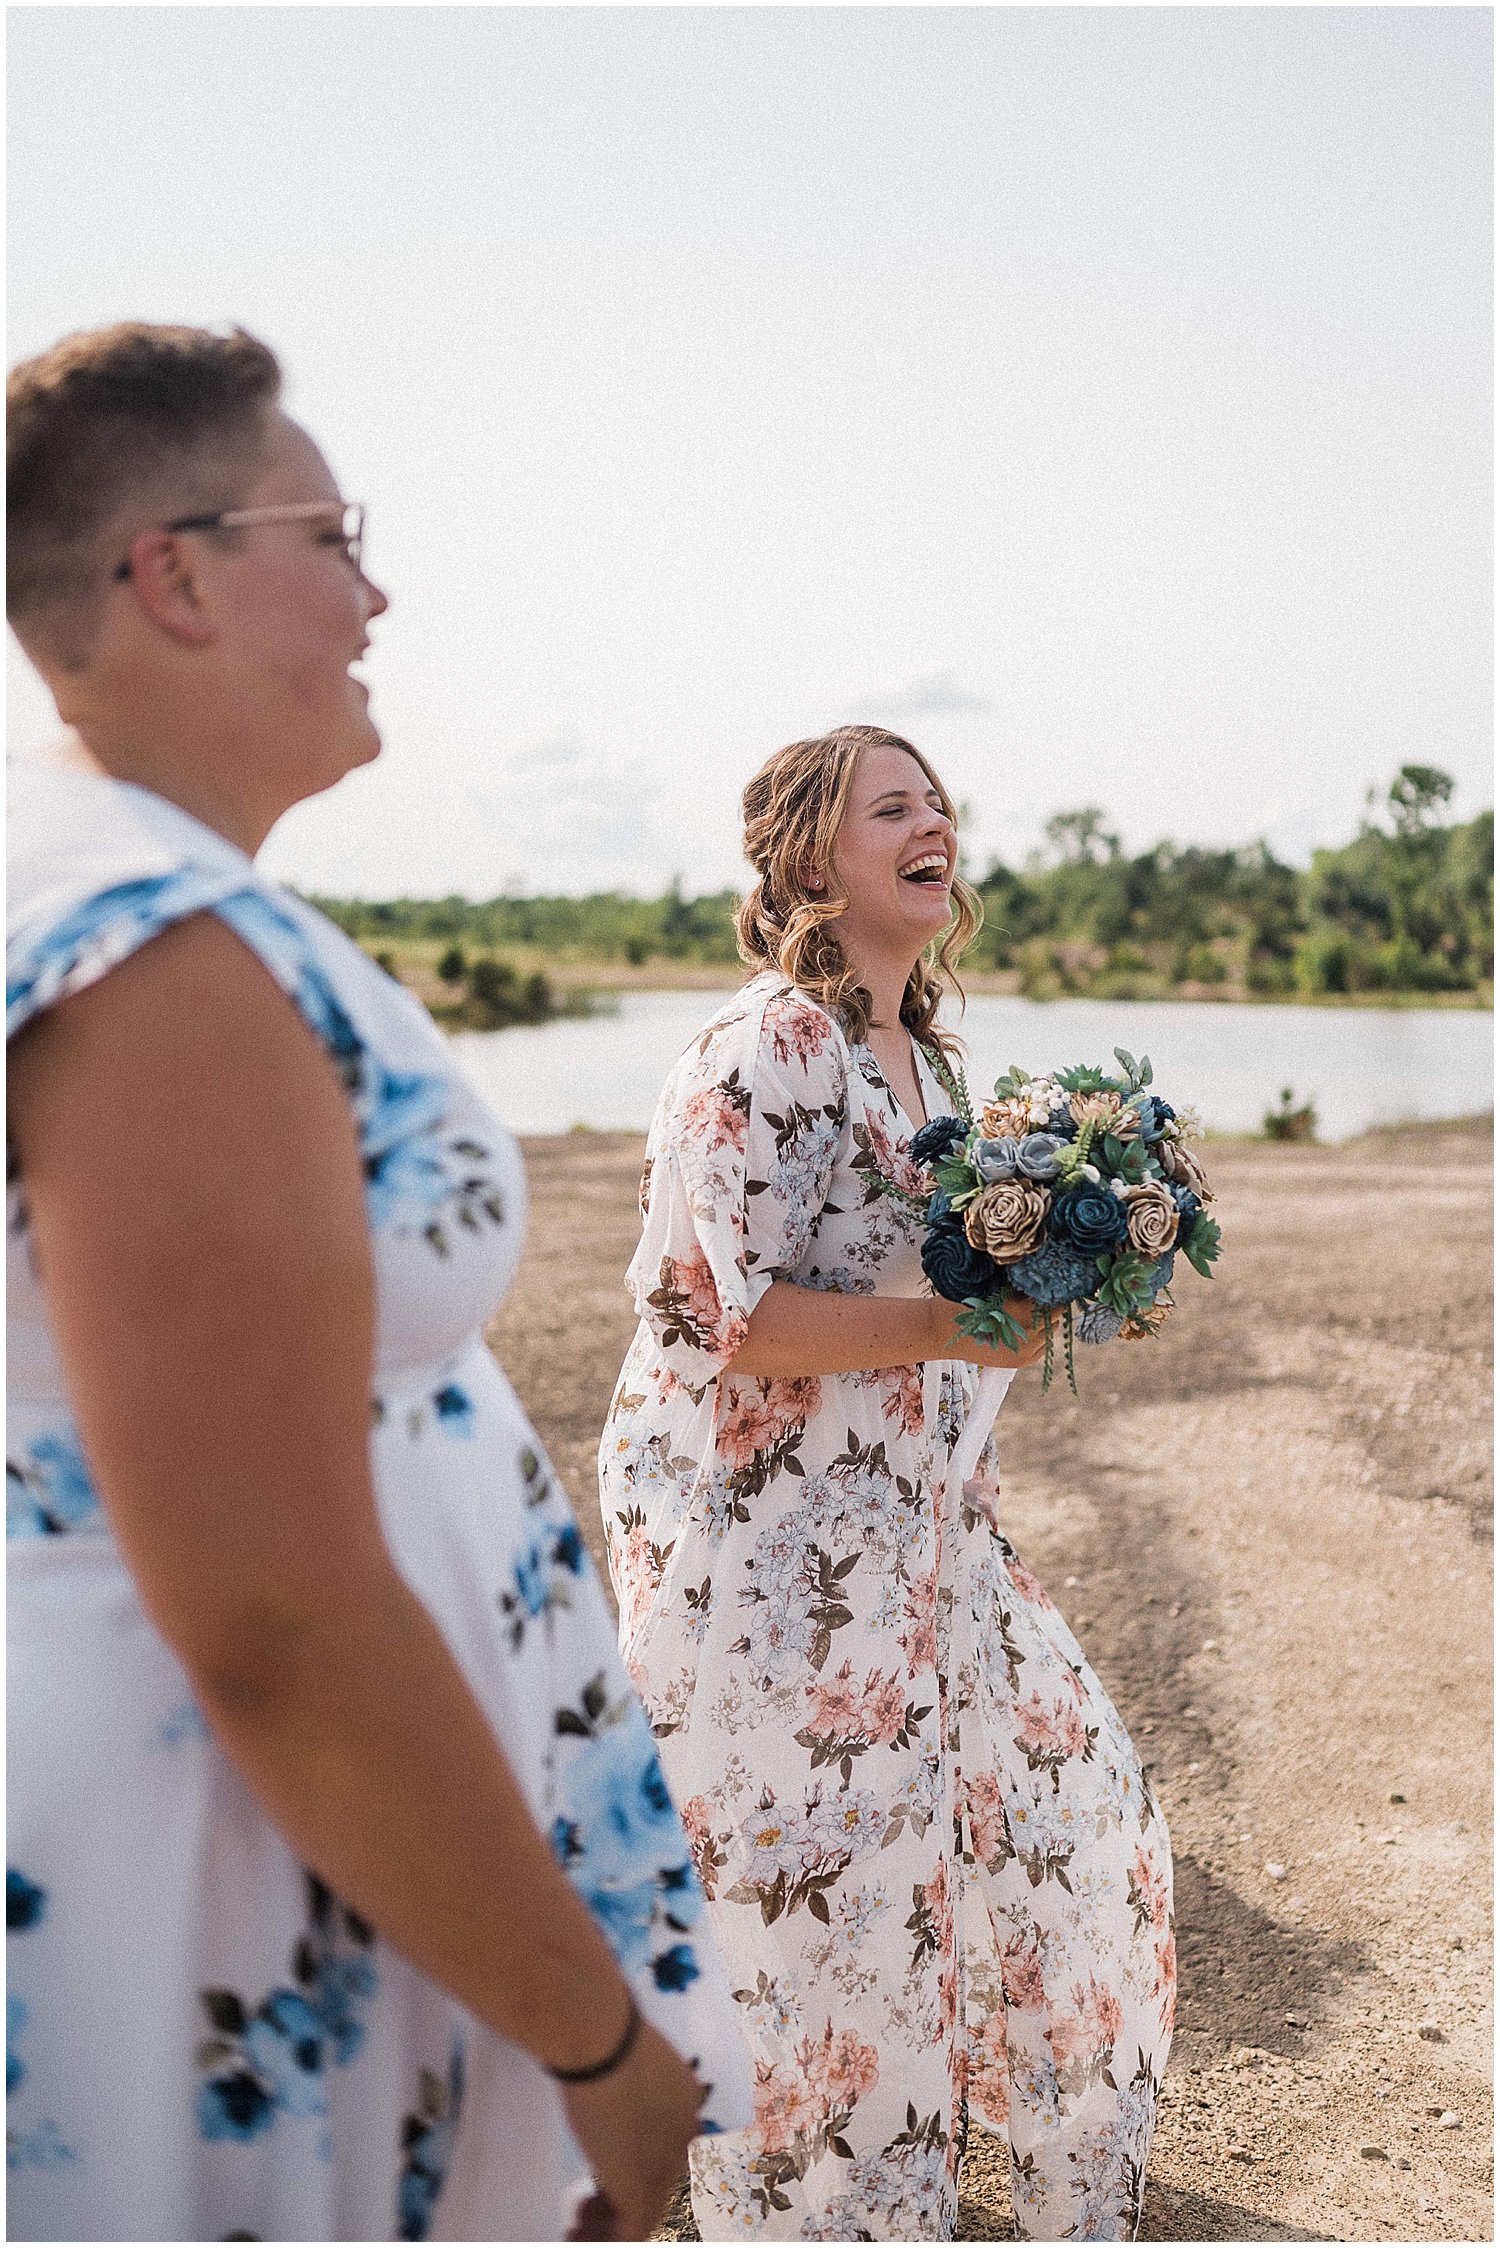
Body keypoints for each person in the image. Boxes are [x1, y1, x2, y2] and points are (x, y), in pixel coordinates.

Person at [5, 321, 751, 2245]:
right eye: (331, 531)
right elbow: (276, 1609)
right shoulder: (150, 951)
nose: (378, 586)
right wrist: (595, 2050)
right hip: (225, 1877)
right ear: (170, 572)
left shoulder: (104, 881)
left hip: (274, 1841)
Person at [599, 726, 1176, 2242]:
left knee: (1088, 1853)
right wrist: (944, 1322)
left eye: (939, 804)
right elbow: (730, 1322)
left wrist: (1068, 1272)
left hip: (929, 1559)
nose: (938, 824)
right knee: (829, 1966)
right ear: (809, 854)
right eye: (893, 807)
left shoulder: (923, 1055)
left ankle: (1060, 2195)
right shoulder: (766, 1047)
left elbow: (940, 1324)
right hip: (781, 1588)